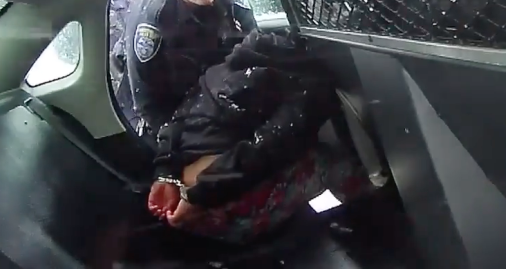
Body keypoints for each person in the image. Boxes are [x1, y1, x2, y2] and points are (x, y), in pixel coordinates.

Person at [145, 30, 376, 243]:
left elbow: (266, 147)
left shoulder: (250, 92)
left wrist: (199, 194)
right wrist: (167, 175)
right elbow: (176, 124)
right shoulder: (223, 79)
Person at [116, 0, 259, 141]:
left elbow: (257, 46)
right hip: (164, 107)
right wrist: (183, 141)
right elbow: (147, 105)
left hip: (211, 90)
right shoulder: (151, 23)